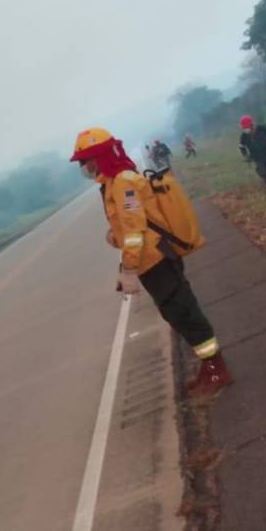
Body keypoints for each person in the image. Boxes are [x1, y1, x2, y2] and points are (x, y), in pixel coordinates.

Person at [70, 127, 233, 395]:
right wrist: (115, 236)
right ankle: (209, 367)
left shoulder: (122, 182)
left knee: (185, 313)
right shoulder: (112, 182)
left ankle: (218, 370)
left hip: (155, 259)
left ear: (100, 156)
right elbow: (127, 225)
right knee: (176, 314)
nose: (85, 167)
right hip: (150, 262)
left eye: (87, 160)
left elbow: (135, 230)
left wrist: (129, 268)